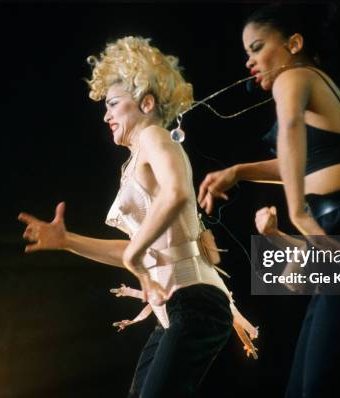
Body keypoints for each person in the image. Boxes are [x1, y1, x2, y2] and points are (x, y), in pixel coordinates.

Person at [18, 36, 257, 398]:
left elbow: (177, 192)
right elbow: (139, 251)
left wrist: (133, 255)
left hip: (195, 301)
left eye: (113, 104)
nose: (106, 115)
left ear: (146, 103)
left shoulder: (155, 137)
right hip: (176, 308)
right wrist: (68, 241)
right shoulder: (132, 164)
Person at [198, 5, 340, 398]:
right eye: (246, 52)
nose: (250, 61)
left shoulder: (292, 78)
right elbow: (303, 160)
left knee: (321, 383)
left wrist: (298, 213)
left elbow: (291, 129)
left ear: (294, 43)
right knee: (306, 385)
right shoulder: (315, 80)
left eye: (258, 47)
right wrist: (239, 171)